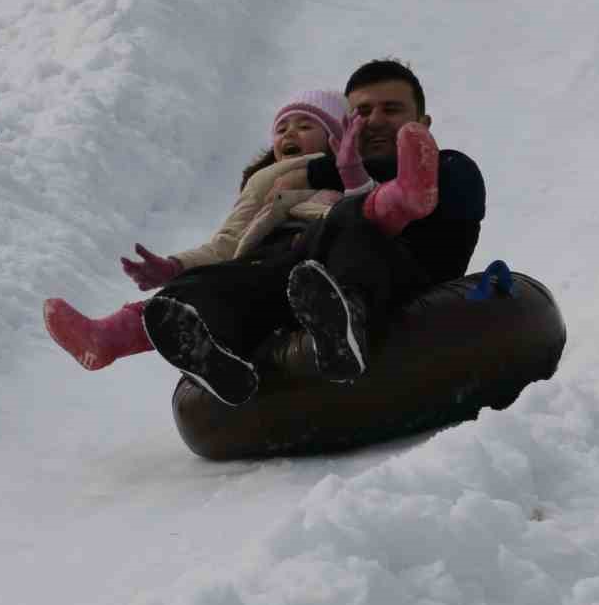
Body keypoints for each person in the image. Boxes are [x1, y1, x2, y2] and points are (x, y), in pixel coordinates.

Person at [143, 59, 486, 406]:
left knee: (351, 217)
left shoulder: (452, 167)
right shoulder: (329, 181)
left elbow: (432, 212)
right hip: (309, 286)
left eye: (392, 109)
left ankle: (347, 317)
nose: (375, 121)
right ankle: (220, 358)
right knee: (201, 283)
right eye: (363, 112)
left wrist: (317, 172)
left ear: (421, 123)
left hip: (399, 282)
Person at [42, 89, 350, 370]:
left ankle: (336, 323)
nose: (290, 134)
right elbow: (226, 243)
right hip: (265, 265)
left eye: (306, 126)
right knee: (199, 285)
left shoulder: (353, 167)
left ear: (335, 136)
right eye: (282, 129)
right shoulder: (264, 180)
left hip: (323, 251)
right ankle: (111, 337)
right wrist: (176, 266)